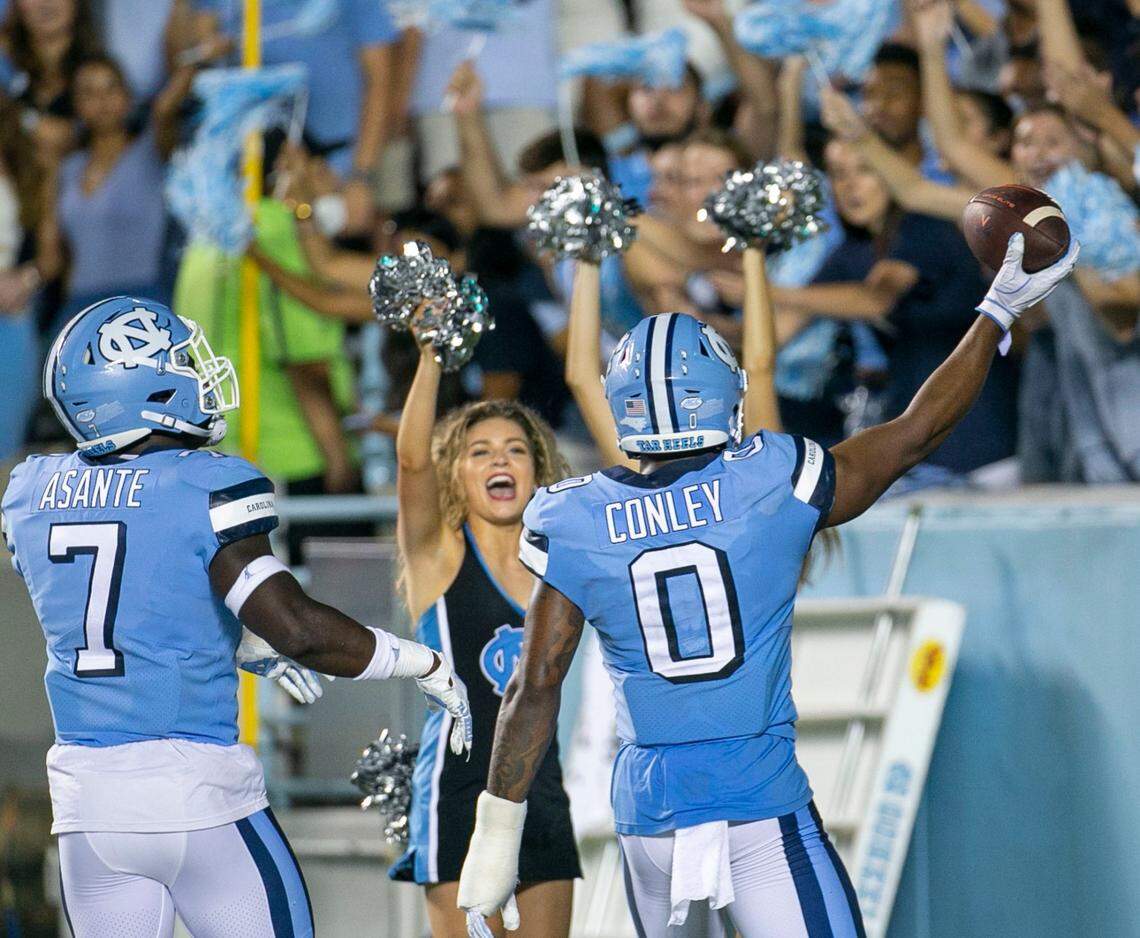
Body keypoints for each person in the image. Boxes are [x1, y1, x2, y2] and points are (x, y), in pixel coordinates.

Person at [455, 234, 1079, 936]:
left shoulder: (576, 516)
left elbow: (535, 682)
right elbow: (916, 433)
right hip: (757, 805)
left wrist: (495, 836)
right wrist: (996, 310)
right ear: (722, 394)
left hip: (648, 824)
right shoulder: (767, 478)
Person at [0, 295, 472, 938]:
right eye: (179, 361)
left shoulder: (31, 490)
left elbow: (115, 602)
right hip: (196, 794)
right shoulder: (202, 483)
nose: (197, 374)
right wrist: (419, 660)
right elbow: (298, 628)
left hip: (90, 807)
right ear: (144, 384)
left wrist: (232, 640)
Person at [388, 313, 580, 937]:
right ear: (458, 473)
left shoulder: (561, 560)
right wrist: (431, 358)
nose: (501, 460)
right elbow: (412, 459)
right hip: (457, 796)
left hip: (541, 789)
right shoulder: (438, 557)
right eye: (481, 452)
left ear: (536, 470)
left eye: (516, 450)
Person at [38, 53, 199, 330]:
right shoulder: (67, 168)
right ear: (76, 104)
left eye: (111, 88)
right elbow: (51, 259)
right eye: (89, 92)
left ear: (128, 96)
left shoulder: (151, 151)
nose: (102, 101)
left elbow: (163, 109)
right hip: (80, 309)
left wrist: (197, 57)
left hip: (141, 304)